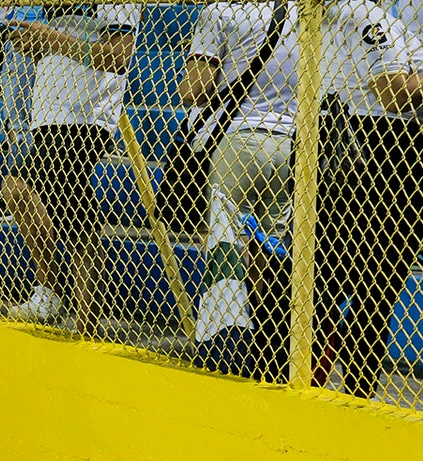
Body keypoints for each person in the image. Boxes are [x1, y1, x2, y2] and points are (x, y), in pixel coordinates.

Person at [0, 3, 141, 336]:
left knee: (74, 217)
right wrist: (37, 46)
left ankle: (86, 323)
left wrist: (49, 37)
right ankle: (51, 294)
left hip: (83, 119)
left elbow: (117, 57)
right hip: (50, 115)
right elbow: (66, 48)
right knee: (18, 192)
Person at [176, 1, 299, 381]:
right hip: (292, 143)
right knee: (274, 249)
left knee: (228, 241)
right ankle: (270, 349)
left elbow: (194, 90)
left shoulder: (222, 11)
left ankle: (226, 339)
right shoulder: (306, 13)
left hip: (238, 140)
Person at [312, 0, 423, 399]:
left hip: (387, 151)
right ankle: (346, 384)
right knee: (359, 287)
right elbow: (393, 94)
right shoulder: (362, 13)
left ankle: (351, 385)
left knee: (372, 290)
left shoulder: (372, 16)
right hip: (380, 148)